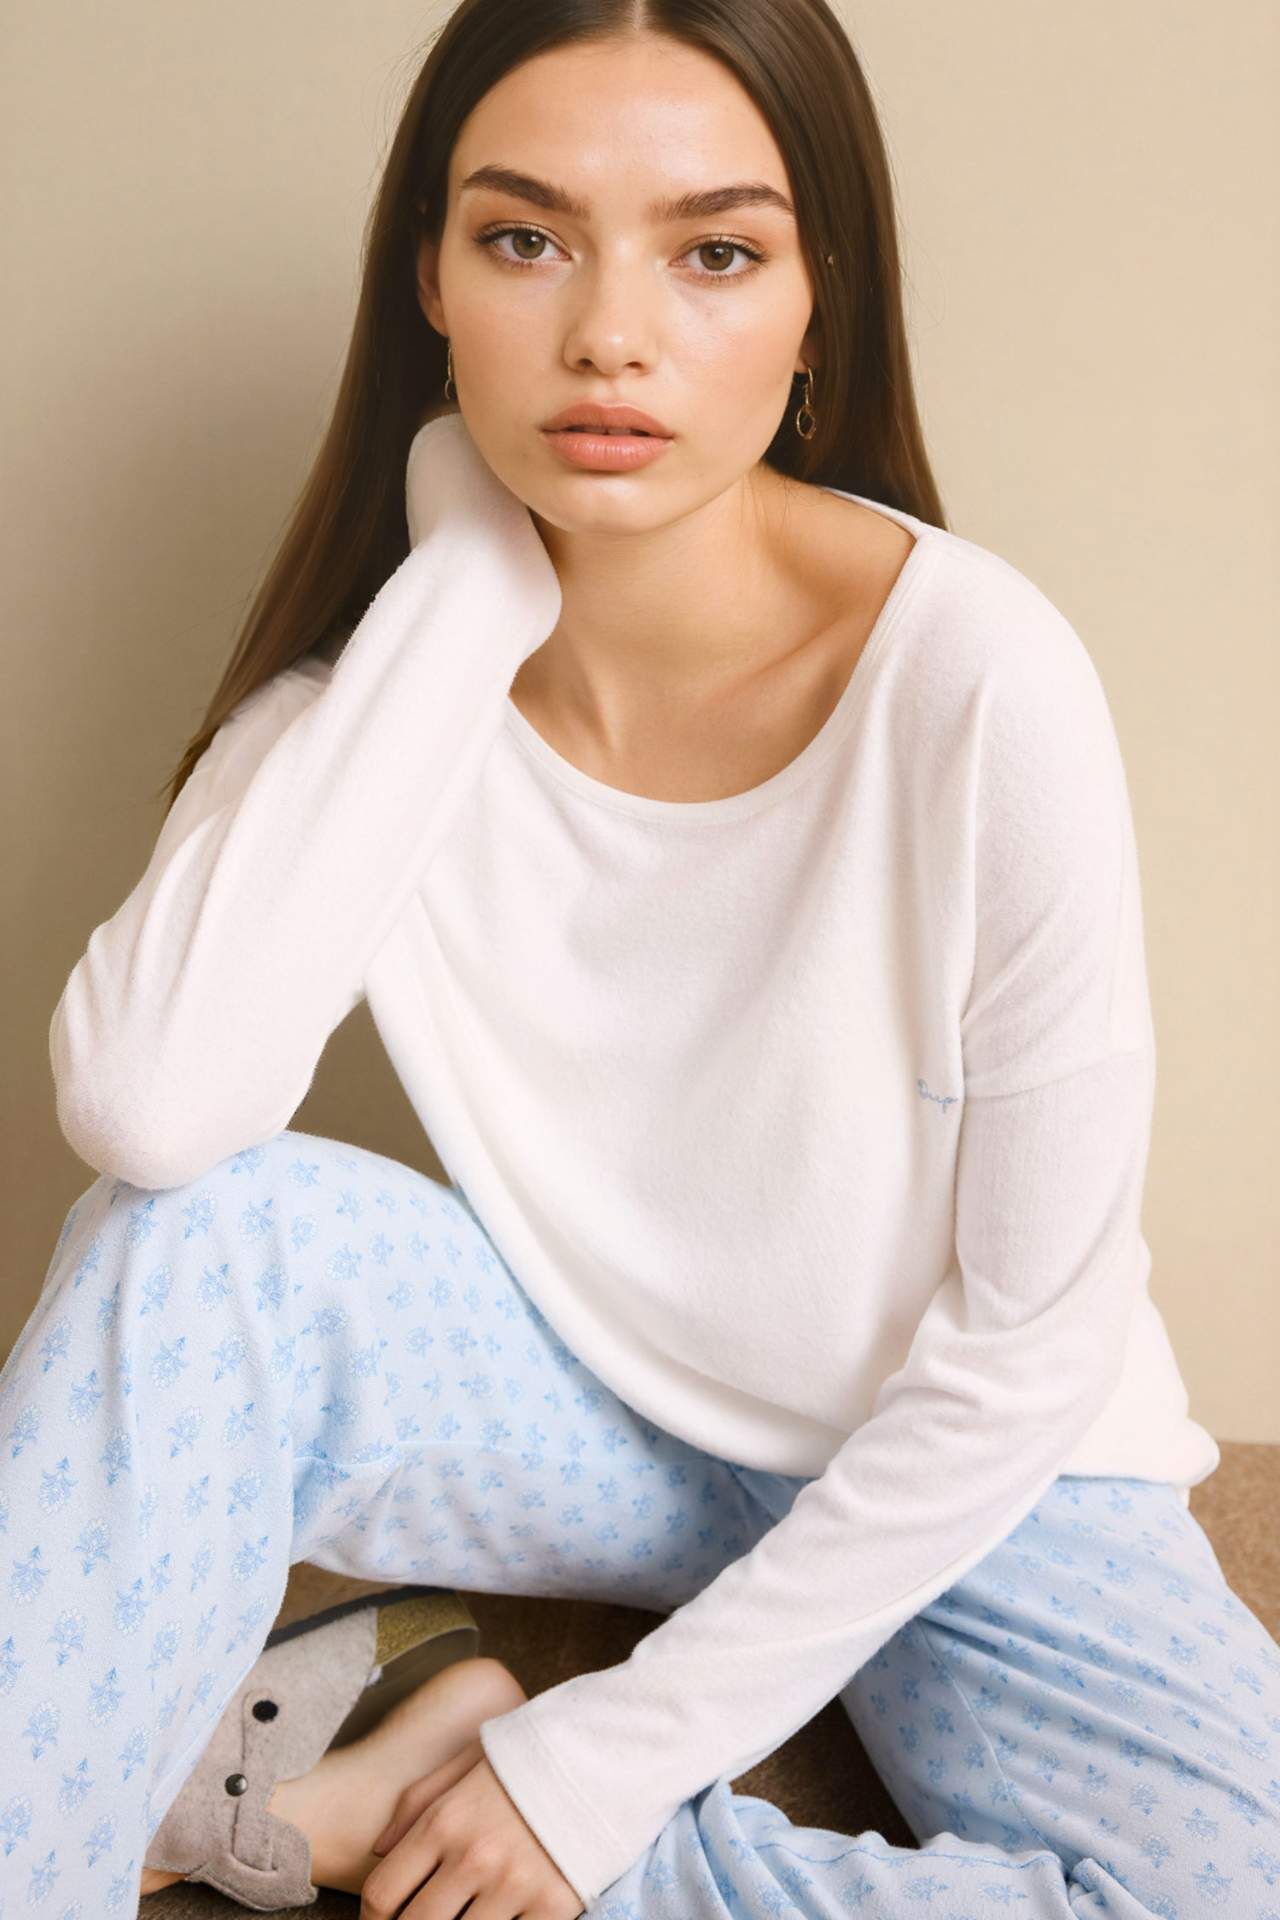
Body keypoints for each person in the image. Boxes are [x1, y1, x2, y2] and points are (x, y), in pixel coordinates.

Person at [7, 3, 1276, 1916]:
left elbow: (1024, 1351)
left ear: (819, 301)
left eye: (715, 253)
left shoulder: (979, 676)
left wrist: (594, 1772)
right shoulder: (388, 705)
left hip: (967, 1447)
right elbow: (149, 1108)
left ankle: (365, 1800)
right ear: (431, 278)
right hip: (598, 1414)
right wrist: (467, 580)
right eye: (525, 239)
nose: (610, 334)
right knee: (189, 1241)